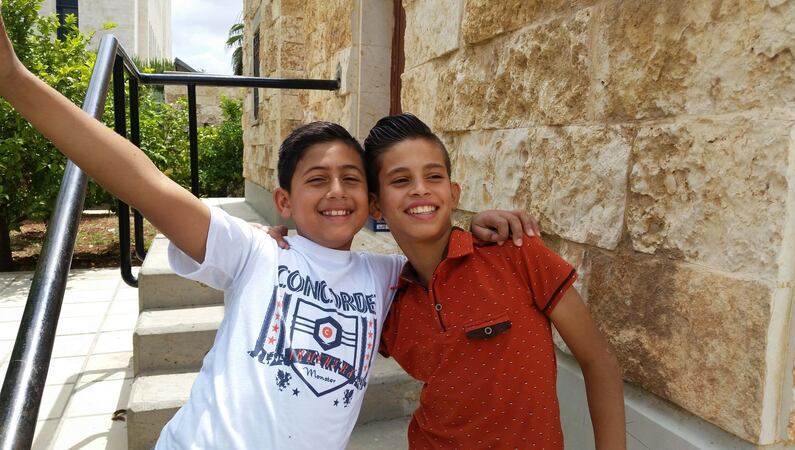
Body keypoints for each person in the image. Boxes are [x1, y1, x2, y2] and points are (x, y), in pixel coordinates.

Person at [0, 8, 536, 448]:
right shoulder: (254, 252)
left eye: (351, 178)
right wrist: (14, 81)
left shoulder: (387, 275)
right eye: (316, 179)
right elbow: (142, 181)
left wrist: (477, 222)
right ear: (282, 200)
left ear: (370, 200)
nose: (335, 191)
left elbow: (437, 245)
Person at [365, 114, 627, 449]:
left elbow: (598, 360)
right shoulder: (388, 300)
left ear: (453, 193)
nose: (420, 188)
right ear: (375, 206)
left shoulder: (515, 254)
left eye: (433, 176)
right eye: (400, 181)